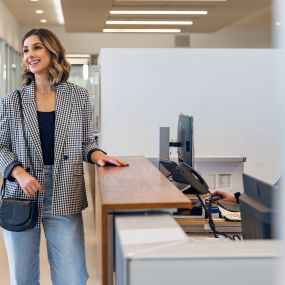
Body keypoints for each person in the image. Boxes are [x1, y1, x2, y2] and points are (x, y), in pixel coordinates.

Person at [0, 28, 128, 285]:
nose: (30, 55)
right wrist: (19, 173)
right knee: (22, 278)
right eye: (26, 50)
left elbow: (86, 142)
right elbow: (1, 146)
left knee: (72, 276)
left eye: (37, 47)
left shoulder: (78, 96)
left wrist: (99, 156)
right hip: (21, 193)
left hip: (65, 189)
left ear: (52, 50)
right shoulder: (11, 101)